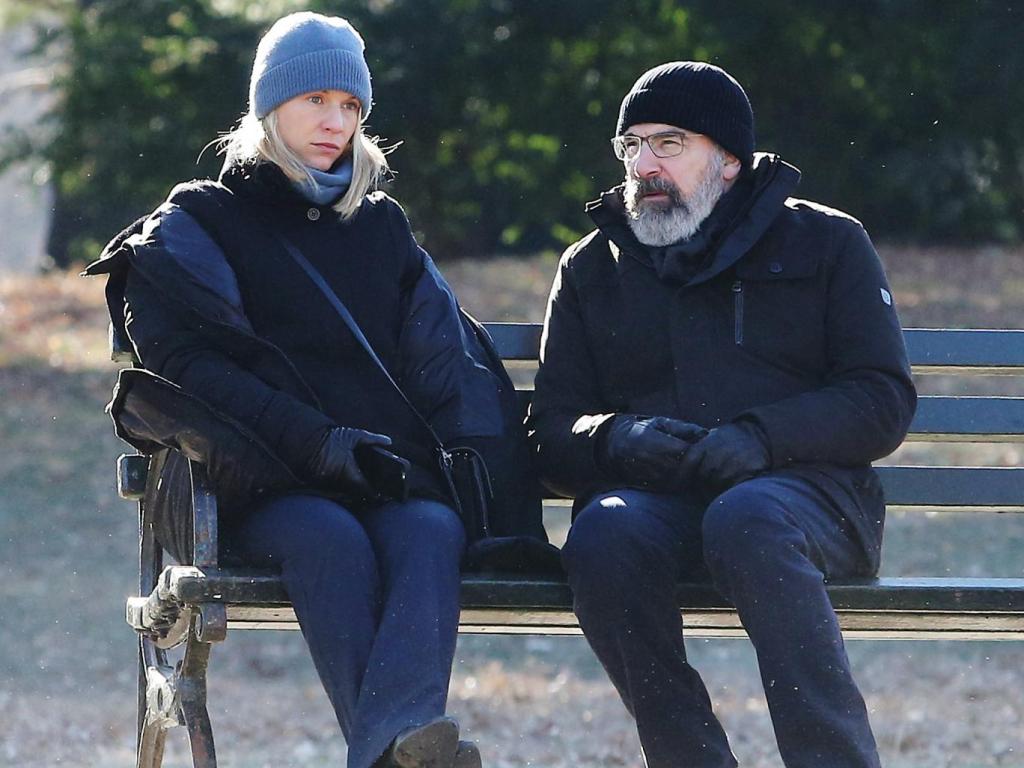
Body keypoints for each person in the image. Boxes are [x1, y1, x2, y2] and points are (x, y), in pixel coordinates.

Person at [85, 12, 545, 768]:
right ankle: (400, 749)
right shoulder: (199, 221)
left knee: (431, 530)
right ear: (270, 106)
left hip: (381, 477)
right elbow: (187, 370)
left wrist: (478, 480)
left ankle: (390, 752)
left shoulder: (380, 226)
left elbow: (443, 364)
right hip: (256, 482)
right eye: (316, 101)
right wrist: (320, 444)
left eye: (351, 105)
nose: (336, 122)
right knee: (329, 538)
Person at [528, 61, 917, 767]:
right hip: (660, 507)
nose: (643, 165)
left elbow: (881, 397)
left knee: (748, 517)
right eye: (631, 145)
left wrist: (762, 438)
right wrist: (617, 438)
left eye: (668, 143)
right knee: (601, 535)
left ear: (730, 160)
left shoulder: (828, 242)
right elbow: (552, 431)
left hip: (812, 499)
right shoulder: (592, 267)